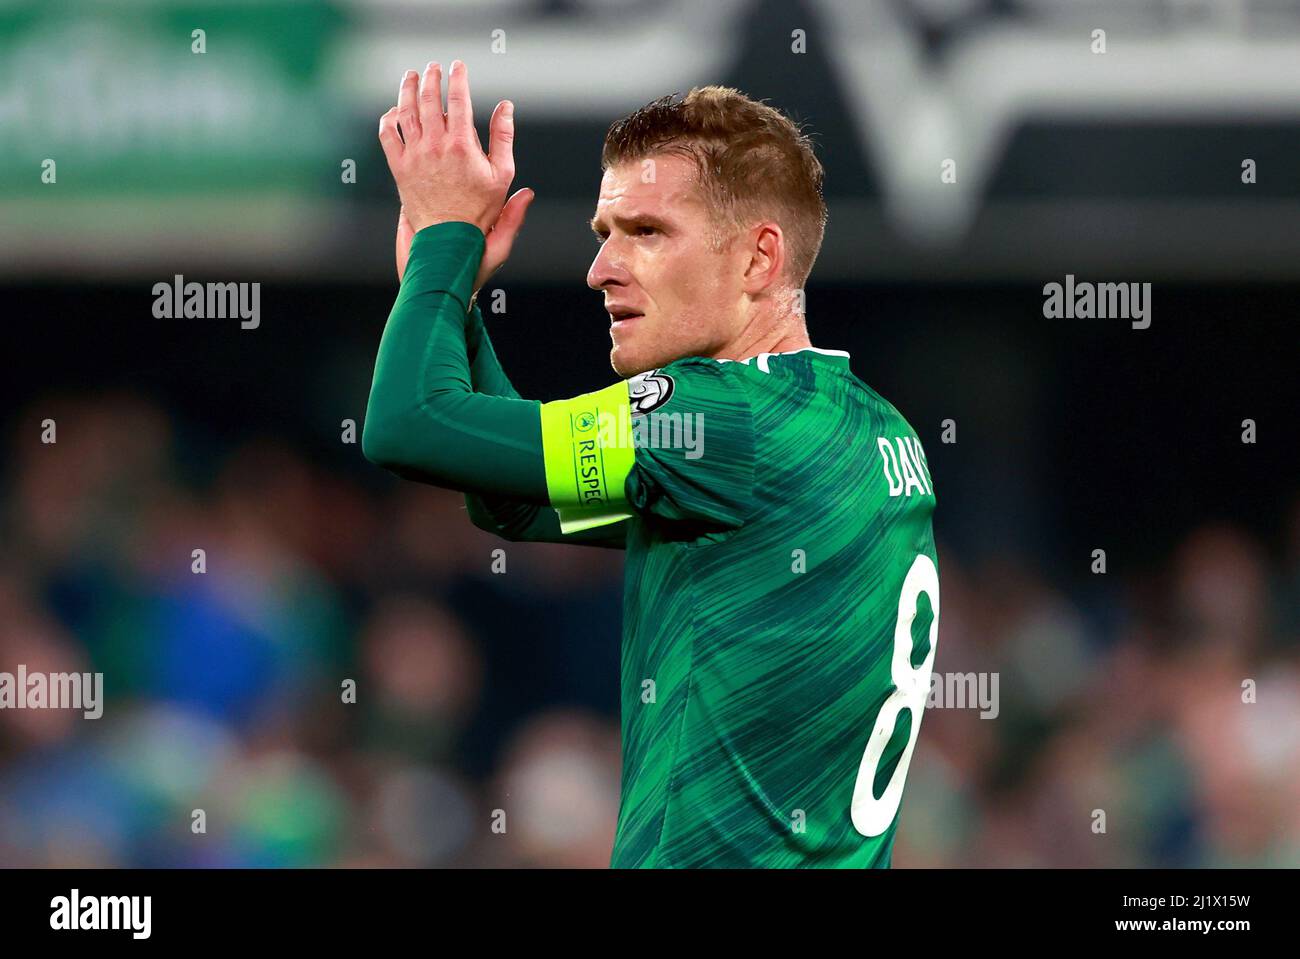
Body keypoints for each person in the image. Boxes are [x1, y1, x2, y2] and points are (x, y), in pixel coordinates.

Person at [364, 60, 940, 867]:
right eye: (606, 236)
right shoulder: (878, 431)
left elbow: (405, 424)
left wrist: (443, 242)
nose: (601, 269)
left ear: (757, 259)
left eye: (647, 232)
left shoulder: (719, 420)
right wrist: (447, 298)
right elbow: (514, 502)